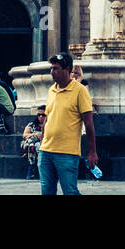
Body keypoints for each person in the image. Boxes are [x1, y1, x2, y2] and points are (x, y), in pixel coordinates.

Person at [38, 52, 97, 195]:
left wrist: (92, 152)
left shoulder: (80, 91)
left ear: (67, 69)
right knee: (46, 191)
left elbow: (89, 124)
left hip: (67, 153)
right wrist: (42, 141)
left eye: (56, 68)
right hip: (46, 151)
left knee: (70, 191)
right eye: (51, 68)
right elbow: (47, 117)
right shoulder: (51, 89)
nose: (52, 72)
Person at [22, 106, 46, 178]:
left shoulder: (49, 125)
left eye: (43, 115)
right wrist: (35, 134)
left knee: (38, 145)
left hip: (44, 143)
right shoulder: (32, 124)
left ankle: (33, 168)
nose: (41, 117)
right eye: (39, 115)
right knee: (32, 144)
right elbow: (24, 135)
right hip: (30, 143)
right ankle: (32, 167)